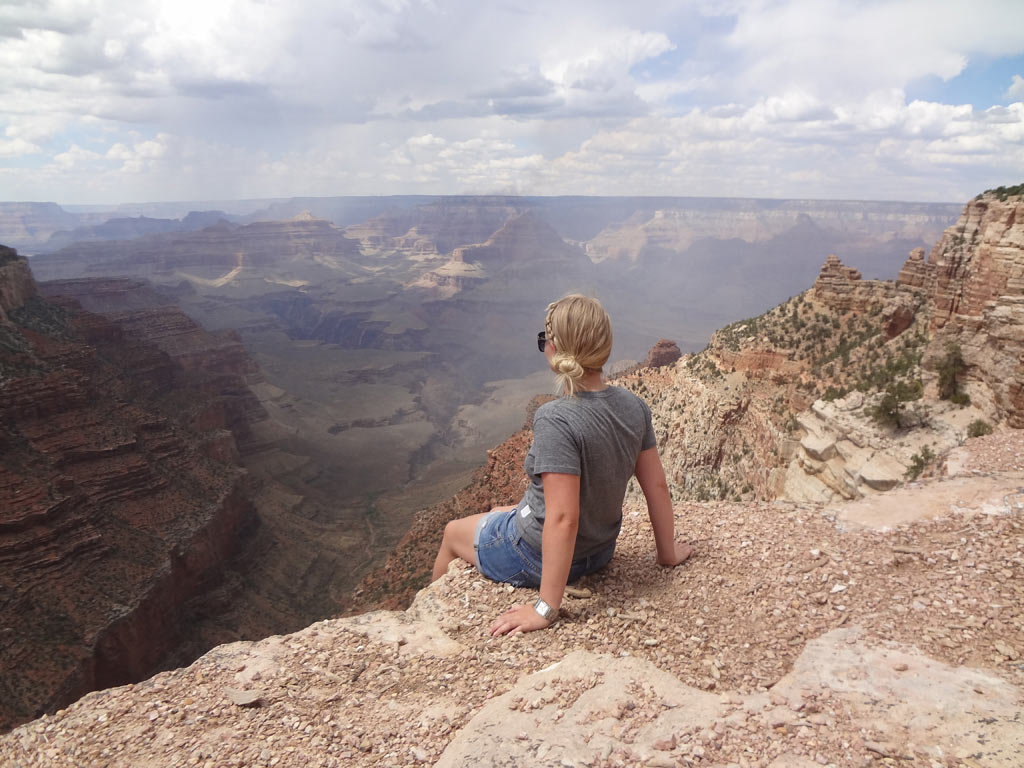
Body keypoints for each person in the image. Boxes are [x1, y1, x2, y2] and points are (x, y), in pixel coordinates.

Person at [431, 294, 693, 635]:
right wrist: (667, 552)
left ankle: (431, 617)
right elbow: (656, 487)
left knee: (452, 532)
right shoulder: (635, 407)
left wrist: (545, 608)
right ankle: (506, 517)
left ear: (554, 350)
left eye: (545, 340)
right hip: (599, 553)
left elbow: (563, 518)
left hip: (534, 556)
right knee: (500, 508)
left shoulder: (556, 418)